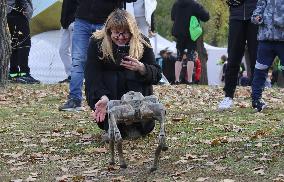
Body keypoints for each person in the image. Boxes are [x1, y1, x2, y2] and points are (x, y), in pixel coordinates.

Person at [84, 9, 162, 138]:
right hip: (109, 95)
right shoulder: (96, 42)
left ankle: (135, 124)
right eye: (116, 33)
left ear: (132, 32)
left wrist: (142, 68)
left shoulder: (143, 42)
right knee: (108, 77)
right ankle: (113, 124)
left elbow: (157, 74)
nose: (120, 37)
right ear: (109, 31)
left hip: (136, 96)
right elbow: (92, 76)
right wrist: (102, 97)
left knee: (133, 75)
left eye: (125, 33)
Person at [58, 0, 137, 111]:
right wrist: (69, 19)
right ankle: (74, 99)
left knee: (108, 60)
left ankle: (109, 97)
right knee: (78, 60)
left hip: (107, 21)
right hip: (82, 19)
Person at [218, 0, 258, 110]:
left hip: (255, 15)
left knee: (256, 59)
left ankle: (257, 97)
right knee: (233, 58)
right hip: (236, 15)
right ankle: (228, 97)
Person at [250, 0, 284, 112]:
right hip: (265, 39)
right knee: (260, 70)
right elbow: (257, 10)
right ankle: (256, 100)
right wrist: (256, 17)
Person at [171, 0, 209, 84]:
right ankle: (190, 80)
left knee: (179, 56)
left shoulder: (176, 4)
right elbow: (206, 17)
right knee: (190, 56)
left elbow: (173, 17)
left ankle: (177, 80)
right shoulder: (195, 4)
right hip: (191, 33)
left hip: (179, 32)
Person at [7, 0, 40, 84]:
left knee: (14, 44)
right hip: (18, 12)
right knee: (24, 44)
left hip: (8, 13)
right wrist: (25, 9)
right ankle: (24, 74)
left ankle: (13, 73)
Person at [58, 0, 78, 83]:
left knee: (76, 52)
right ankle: (71, 74)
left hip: (75, 22)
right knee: (62, 50)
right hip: (65, 24)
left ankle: (76, 76)